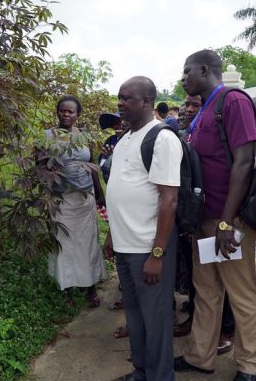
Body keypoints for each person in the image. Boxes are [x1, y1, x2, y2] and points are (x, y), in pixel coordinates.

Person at [174, 49, 256, 381]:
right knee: (207, 290)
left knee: (240, 292)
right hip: (205, 219)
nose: (183, 78)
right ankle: (201, 356)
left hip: (229, 220)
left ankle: (251, 366)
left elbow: (243, 162)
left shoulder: (233, 101)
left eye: (186, 72)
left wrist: (227, 221)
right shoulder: (204, 108)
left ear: (203, 69)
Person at [106, 76, 182, 381]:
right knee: (135, 318)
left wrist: (157, 253)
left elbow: (169, 200)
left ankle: (161, 376)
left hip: (148, 249)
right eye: (119, 98)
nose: (120, 103)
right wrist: (113, 234)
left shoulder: (162, 139)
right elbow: (118, 191)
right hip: (125, 246)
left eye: (127, 98)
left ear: (147, 101)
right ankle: (141, 371)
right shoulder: (126, 137)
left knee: (157, 320)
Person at [46, 95, 107, 308]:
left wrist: (100, 193)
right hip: (61, 199)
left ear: (77, 115)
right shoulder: (48, 136)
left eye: (70, 111)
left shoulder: (85, 137)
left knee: (87, 243)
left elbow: (92, 167)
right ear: (57, 112)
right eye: (62, 110)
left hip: (85, 198)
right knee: (65, 245)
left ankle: (89, 287)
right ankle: (67, 289)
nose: (66, 114)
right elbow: (42, 169)